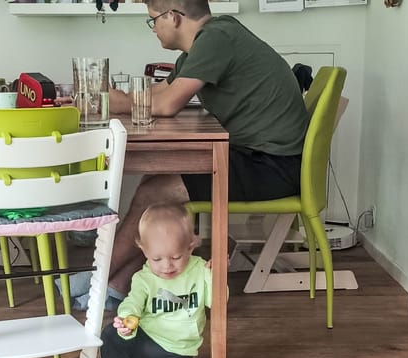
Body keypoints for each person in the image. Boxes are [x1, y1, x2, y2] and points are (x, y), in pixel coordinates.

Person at [62, 0, 308, 309]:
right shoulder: (203, 45)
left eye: (153, 21)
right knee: (158, 179)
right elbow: (158, 93)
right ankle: (116, 284)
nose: (153, 30)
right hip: (260, 156)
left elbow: (167, 106)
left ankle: (99, 275)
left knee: (157, 188)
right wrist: (116, 98)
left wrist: (107, 102)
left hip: (273, 167)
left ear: (174, 17)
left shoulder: (215, 39)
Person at [99, 204, 213, 358]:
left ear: (190, 247)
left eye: (176, 257)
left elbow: (217, 302)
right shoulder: (144, 278)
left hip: (175, 349)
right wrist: (127, 318)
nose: (167, 266)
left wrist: (214, 276)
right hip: (144, 338)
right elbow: (132, 301)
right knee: (110, 335)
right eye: (157, 259)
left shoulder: (200, 271)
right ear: (145, 252)